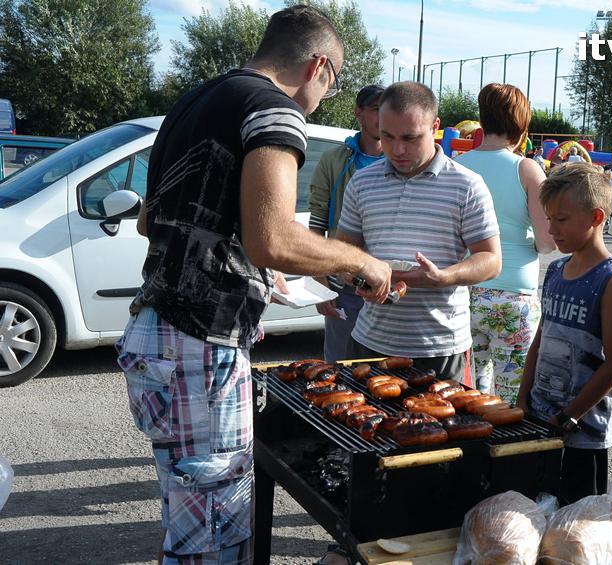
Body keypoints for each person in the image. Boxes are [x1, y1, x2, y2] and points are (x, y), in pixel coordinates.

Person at [116, 7, 393, 565]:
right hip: (200, 346)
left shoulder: (195, 102)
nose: (325, 97)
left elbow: (154, 220)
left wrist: (255, 270)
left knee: (191, 520)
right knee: (216, 536)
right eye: (332, 82)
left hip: (155, 337)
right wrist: (361, 261)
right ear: (318, 65)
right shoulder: (275, 111)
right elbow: (272, 237)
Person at [336, 81, 502, 385]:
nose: (397, 149)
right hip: (370, 342)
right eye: (387, 136)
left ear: (435, 127)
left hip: (440, 347)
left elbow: (491, 260)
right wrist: (360, 277)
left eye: (410, 138)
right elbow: (344, 253)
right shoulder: (362, 182)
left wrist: (444, 277)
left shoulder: (467, 185)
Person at [516, 163, 612, 504]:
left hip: (583, 433)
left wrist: (569, 416)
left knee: (575, 525)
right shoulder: (555, 270)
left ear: (596, 217)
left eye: (561, 219)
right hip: (540, 417)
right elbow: (540, 338)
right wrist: (523, 396)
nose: (551, 229)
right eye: (548, 218)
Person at [454, 83, 555, 401]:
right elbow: (547, 242)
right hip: (514, 298)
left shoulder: (457, 165)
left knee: (469, 392)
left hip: (464, 292)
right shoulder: (527, 170)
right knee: (513, 396)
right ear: (522, 125)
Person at [309, 84, 385, 362]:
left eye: (388, 109)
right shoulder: (334, 160)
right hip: (344, 286)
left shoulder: (400, 161)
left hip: (388, 285)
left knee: (386, 375)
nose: (383, 117)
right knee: (339, 369)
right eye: (376, 109)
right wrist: (318, 283)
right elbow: (316, 223)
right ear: (358, 113)